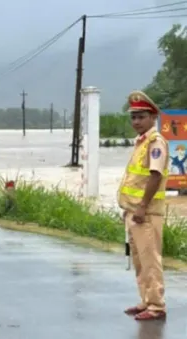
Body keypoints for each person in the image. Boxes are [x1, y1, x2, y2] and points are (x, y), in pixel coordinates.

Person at [118, 90, 169, 321]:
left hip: (146, 213)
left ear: (152, 117)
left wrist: (141, 207)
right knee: (139, 260)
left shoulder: (156, 143)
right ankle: (146, 300)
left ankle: (156, 305)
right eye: (134, 117)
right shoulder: (142, 143)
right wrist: (128, 208)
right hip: (134, 212)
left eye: (141, 117)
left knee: (150, 260)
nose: (136, 122)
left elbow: (155, 176)